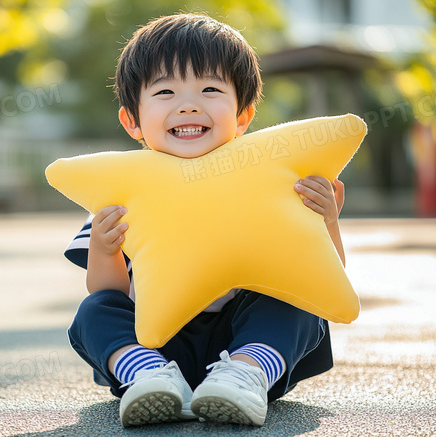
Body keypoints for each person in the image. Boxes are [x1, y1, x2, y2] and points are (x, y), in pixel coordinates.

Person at [64, 13, 346, 427]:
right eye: (165, 91)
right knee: (93, 312)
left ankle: (248, 373)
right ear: (132, 120)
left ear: (244, 115)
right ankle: (146, 376)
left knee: (296, 300)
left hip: (244, 336)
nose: (189, 104)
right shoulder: (125, 193)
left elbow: (323, 275)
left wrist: (326, 222)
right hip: (157, 342)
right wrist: (106, 248)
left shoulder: (268, 185)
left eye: (211, 88)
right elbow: (107, 293)